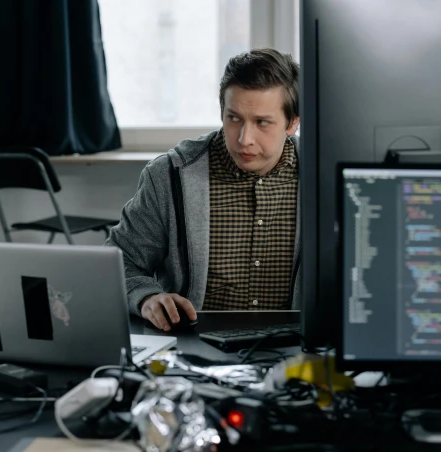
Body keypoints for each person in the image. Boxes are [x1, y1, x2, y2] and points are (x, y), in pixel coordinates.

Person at [106, 48, 301, 331]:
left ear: (292, 122)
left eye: (262, 122)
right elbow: (120, 261)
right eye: (234, 118)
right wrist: (146, 296)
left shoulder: (324, 178)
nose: (244, 139)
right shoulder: (168, 176)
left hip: (296, 348)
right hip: (195, 347)